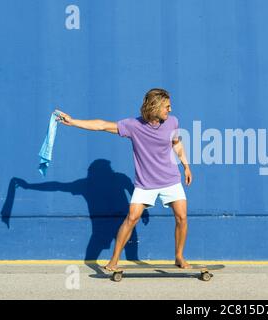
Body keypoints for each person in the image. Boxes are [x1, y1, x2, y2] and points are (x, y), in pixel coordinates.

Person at [55, 88, 192, 270]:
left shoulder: (172, 122)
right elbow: (102, 125)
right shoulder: (133, 126)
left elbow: (176, 143)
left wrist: (186, 166)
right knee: (132, 218)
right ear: (155, 106)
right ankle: (114, 260)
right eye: (167, 106)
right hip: (146, 183)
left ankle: (179, 256)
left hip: (171, 179)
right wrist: (73, 122)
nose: (170, 109)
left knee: (182, 217)